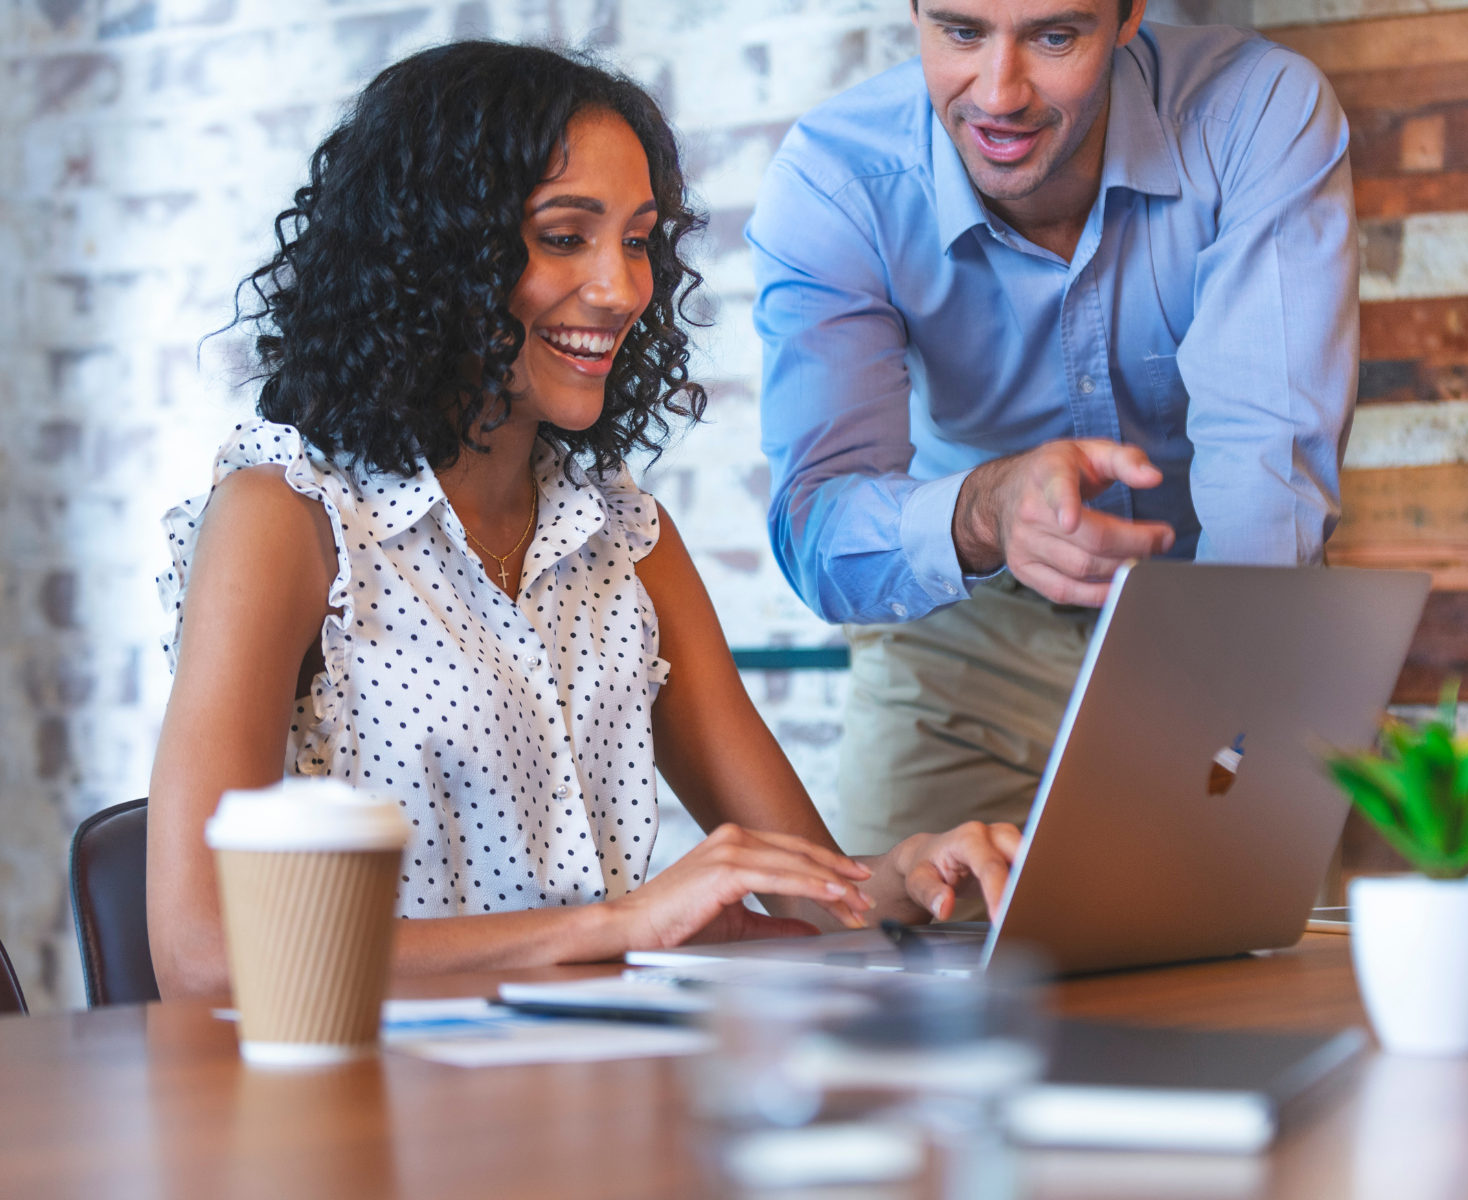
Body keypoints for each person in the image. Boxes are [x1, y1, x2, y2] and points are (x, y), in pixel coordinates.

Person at [146, 42, 1019, 1001]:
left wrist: (906, 879)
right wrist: (618, 928)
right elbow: (204, 953)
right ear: (437, 255)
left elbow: (818, 894)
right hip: (373, 1111)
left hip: (584, 1094)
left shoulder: (624, 538)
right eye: (565, 237)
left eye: (639, 240)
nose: (621, 289)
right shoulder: (287, 517)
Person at [749, 0, 1358, 857]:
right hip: (960, 632)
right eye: (960, 33)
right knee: (908, 967)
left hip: (1211, 606)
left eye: (1054, 36)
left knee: (1243, 965)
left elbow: (1268, 474)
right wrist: (987, 511)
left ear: (1129, 14)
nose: (999, 94)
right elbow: (817, 527)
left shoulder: (1254, 111)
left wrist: (1230, 731)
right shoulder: (836, 181)